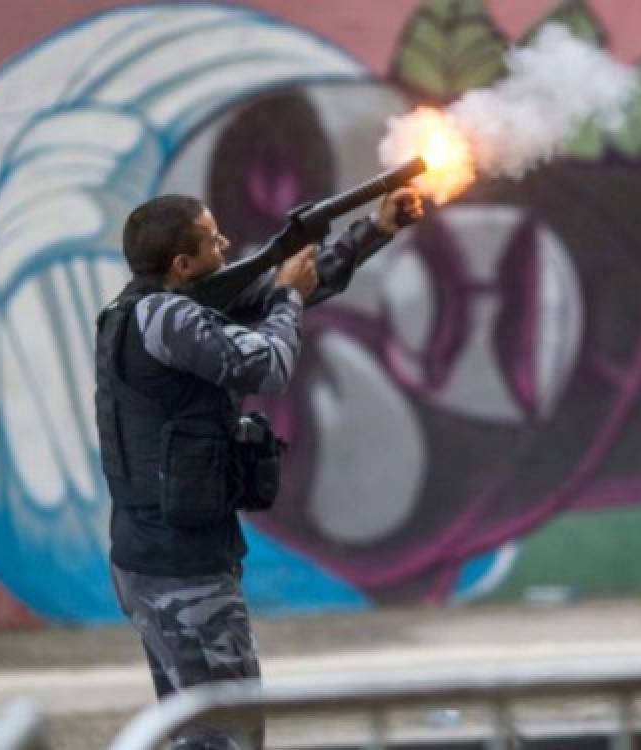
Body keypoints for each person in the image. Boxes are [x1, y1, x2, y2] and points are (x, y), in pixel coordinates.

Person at [96, 187, 421, 748]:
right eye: (213, 240)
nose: (224, 247)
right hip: (184, 569)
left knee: (196, 735)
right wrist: (288, 301)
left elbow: (277, 284)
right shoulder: (169, 318)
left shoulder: (142, 313)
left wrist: (375, 229)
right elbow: (266, 363)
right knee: (229, 735)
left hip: (153, 559)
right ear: (183, 264)